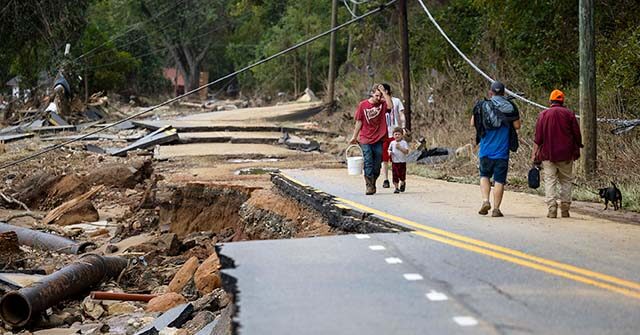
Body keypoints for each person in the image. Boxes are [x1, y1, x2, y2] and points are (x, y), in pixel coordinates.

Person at [470, 81, 521, 217]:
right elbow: (517, 126)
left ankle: (485, 200)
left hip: (485, 150)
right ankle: (496, 209)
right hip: (501, 152)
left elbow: (472, 123)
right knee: (499, 180)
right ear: (503, 93)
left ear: (490, 92)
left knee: (484, 176)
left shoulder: (481, 106)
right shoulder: (510, 106)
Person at [532, 89, 583, 218]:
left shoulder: (543, 115)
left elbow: (538, 139)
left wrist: (534, 155)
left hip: (548, 155)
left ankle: (552, 209)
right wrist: (578, 147)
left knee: (550, 180)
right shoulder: (569, 114)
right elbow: (577, 135)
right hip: (566, 155)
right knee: (566, 181)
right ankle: (565, 209)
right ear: (562, 101)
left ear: (550, 101)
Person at [349, 84, 393, 195]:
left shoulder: (383, 104)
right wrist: (354, 137)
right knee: (368, 161)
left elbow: (390, 106)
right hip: (365, 138)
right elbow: (359, 121)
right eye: (377, 95)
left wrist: (384, 93)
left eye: (380, 96)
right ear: (372, 93)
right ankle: (369, 185)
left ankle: (373, 181)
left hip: (379, 138)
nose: (378, 98)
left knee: (377, 163)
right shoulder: (363, 105)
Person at [380, 83, 406, 189]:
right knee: (385, 158)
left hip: (395, 132)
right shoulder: (380, 103)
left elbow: (401, 114)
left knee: (397, 157)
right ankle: (386, 179)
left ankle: (400, 179)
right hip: (384, 133)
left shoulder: (396, 101)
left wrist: (403, 127)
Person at [388, 127, 409, 194]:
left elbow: (406, 151)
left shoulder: (404, 143)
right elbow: (389, 149)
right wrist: (389, 152)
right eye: (395, 134)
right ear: (393, 135)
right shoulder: (392, 143)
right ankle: (396, 188)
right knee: (395, 175)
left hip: (402, 162)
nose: (397, 136)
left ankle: (403, 182)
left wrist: (400, 148)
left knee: (402, 175)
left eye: (399, 134)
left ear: (402, 135)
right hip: (395, 162)